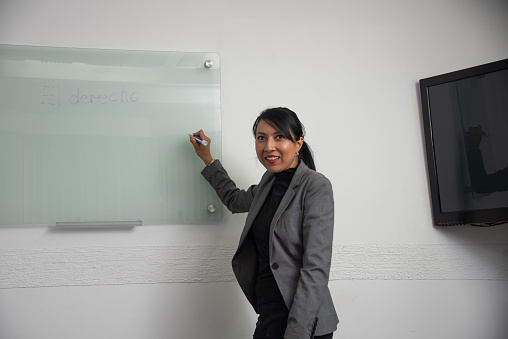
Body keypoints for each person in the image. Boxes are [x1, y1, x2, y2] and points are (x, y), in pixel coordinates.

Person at [189, 107, 338, 339]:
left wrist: (298, 332)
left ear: (298, 143)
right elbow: (234, 200)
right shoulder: (269, 182)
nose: (268, 146)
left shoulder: (315, 186)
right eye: (261, 138)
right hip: (269, 315)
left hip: (302, 323)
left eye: (279, 136)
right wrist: (206, 157)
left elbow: (316, 267)